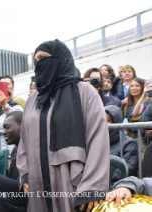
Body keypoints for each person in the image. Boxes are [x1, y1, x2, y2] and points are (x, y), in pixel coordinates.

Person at [17, 40, 109, 212]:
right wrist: (25, 174)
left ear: (60, 59)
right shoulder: (33, 100)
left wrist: (92, 186)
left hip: (72, 179)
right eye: (36, 61)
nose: (39, 64)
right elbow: (24, 141)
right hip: (37, 182)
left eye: (43, 58)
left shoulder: (84, 92)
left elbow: (98, 140)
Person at [105, 105, 138, 184]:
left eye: (107, 121)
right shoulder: (95, 142)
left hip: (117, 188)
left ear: (116, 122)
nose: (103, 124)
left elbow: (125, 171)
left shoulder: (129, 144)